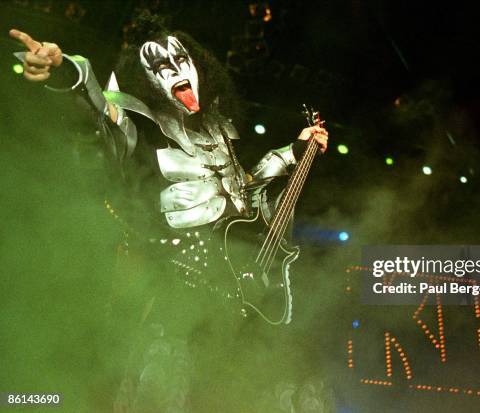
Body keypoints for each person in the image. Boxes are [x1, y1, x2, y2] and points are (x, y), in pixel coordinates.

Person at [9, 12, 332, 413]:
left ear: (198, 67)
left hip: (236, 294)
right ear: (147, 81)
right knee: (166, 388)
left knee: (275, 387)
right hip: (177, 290)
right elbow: (95, 107)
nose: (175, 70)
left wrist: (293, 152)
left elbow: (241, 193)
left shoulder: (219, 130)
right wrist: (65, 69)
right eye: (160, 67)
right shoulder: (137, 126)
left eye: (181, 61)